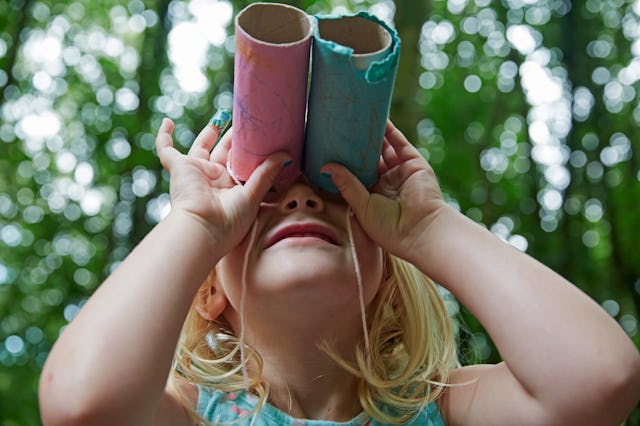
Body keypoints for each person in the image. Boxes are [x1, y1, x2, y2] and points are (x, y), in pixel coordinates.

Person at [39, 113, 640, 426]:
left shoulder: (445, 411)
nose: (300, 200)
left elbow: (597, 380)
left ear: (389, 279)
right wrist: (195, 222)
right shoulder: (191, 413)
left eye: (336, 198)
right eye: (261, 201)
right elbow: (83, 407)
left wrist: (431, 228)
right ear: (208, 294)